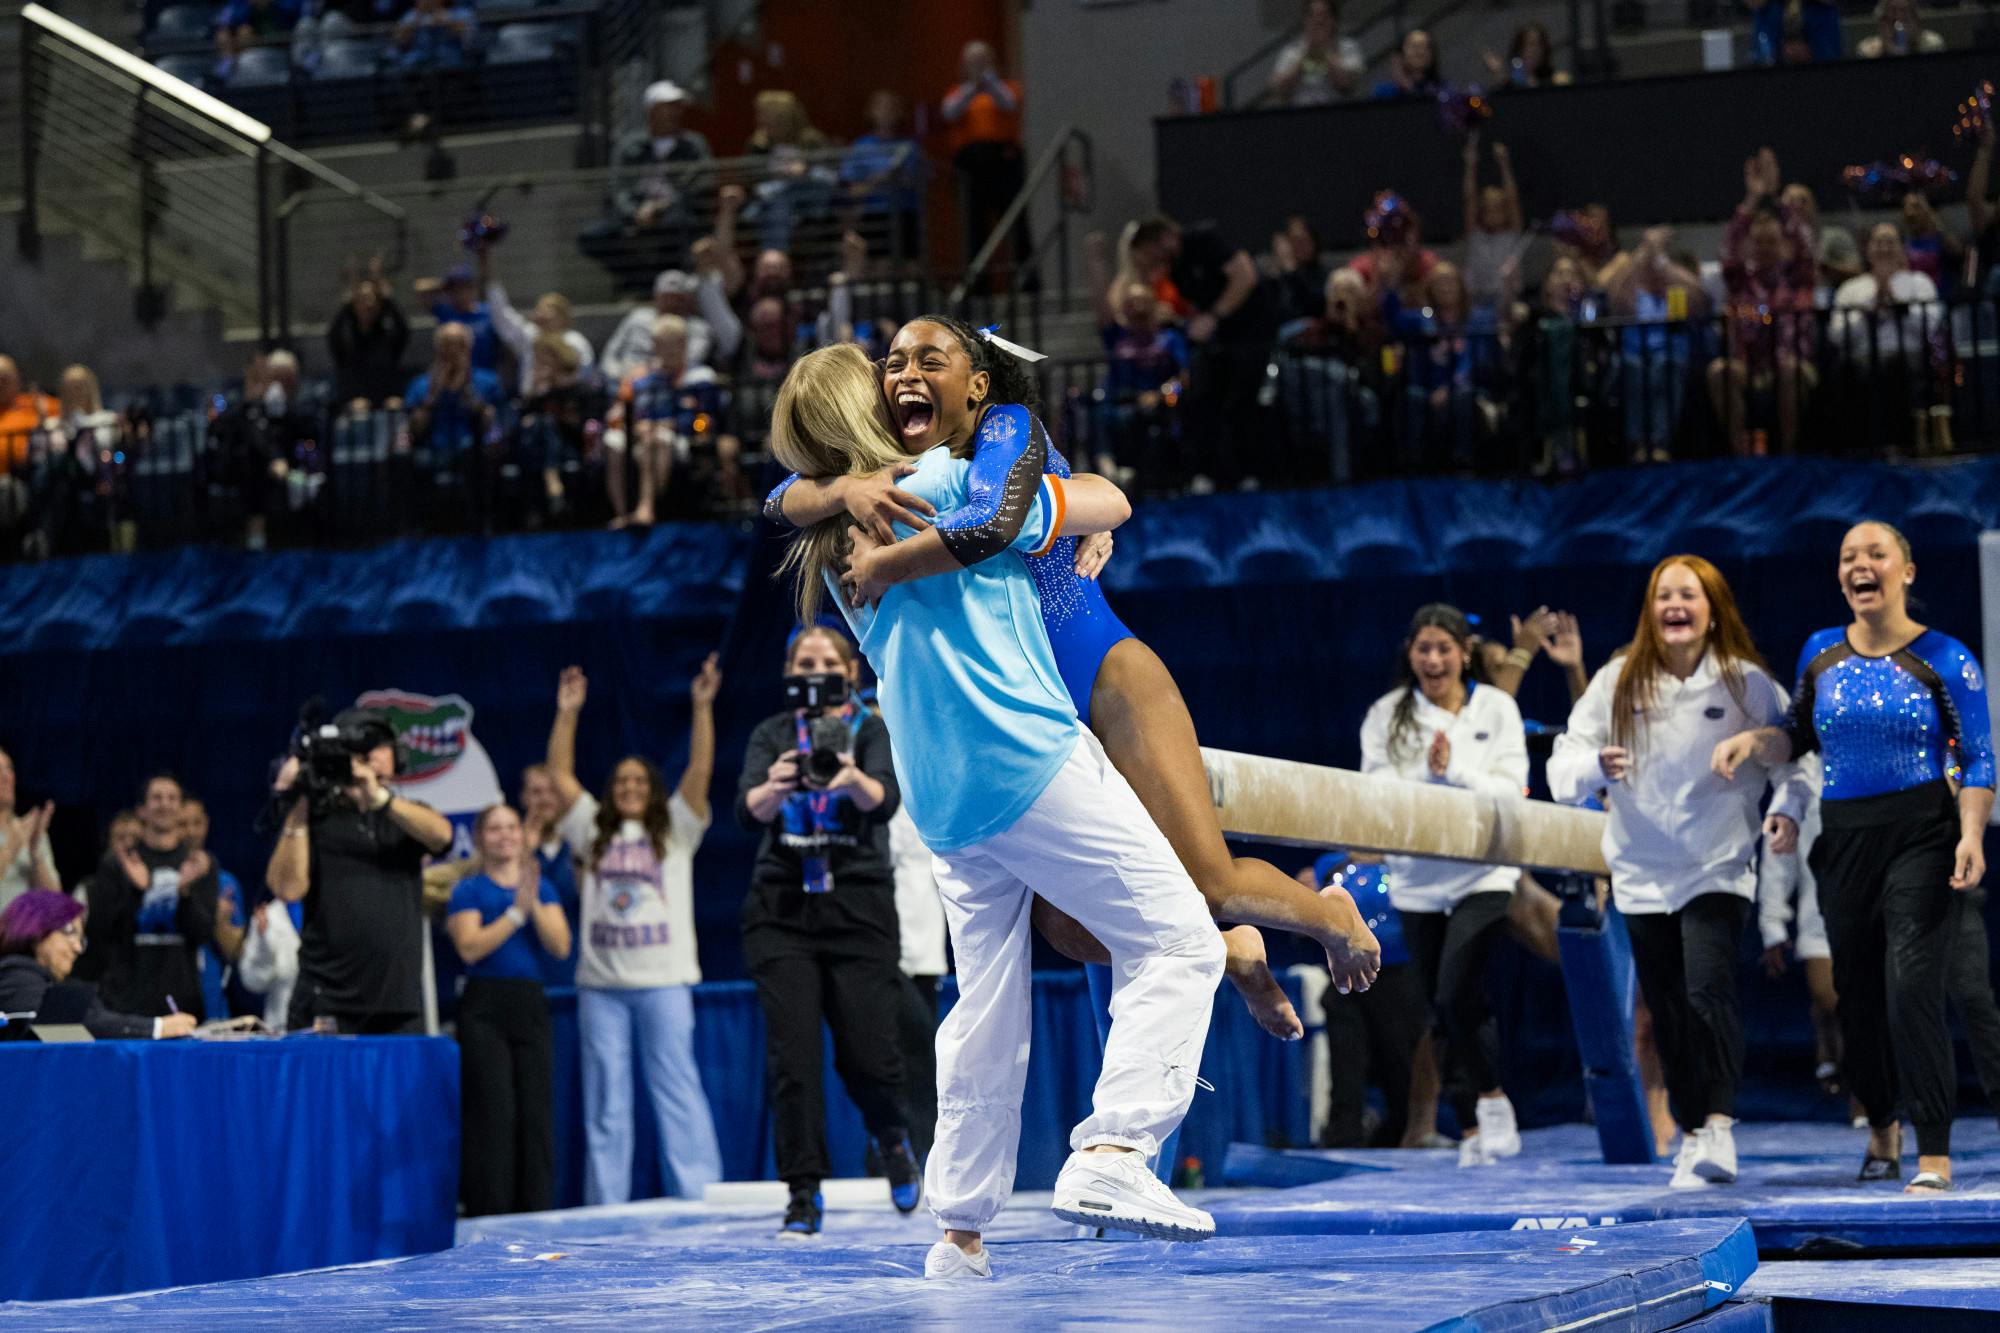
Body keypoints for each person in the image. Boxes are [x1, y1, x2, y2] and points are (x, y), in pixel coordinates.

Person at [766, 316, 1381, 1037]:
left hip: (1103, 674)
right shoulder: (889, 484)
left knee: (1206, 880)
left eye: (927, 364)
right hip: (1027, 718)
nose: (904, 378)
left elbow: (1090, 501)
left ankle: (1325, 914)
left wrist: (1078, 513)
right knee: (1069, 923)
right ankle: (1227, 953)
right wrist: (843, 490)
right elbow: (779, 494)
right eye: (892, 367)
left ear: (977, 387)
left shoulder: (1002, 439)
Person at [767, 342, 1226, 1280]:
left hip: (943, 799)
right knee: (1186, 942)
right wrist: (1069, 504)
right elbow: (1110, 500)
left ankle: (960, 1229)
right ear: (866, 404)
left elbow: (775, 497)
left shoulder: (826, 538)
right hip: (1024, 757)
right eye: (883, 369)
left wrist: (828, 489)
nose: (902, 379)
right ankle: (1115, 1152)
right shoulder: (949, 477)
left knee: (983, 1008)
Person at [1714, 521, 1995, 1193]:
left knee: (1912, 985)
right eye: (1848, 556)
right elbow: (1796, 737)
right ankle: (1881, 1125)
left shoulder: (1946, 658)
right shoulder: (1820, 653)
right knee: (1856, 996)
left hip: (1924, 828)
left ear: (1907, 572)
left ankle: (1933, 1152)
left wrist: (1971, 832)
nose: (1859, 564)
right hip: (1844, 835)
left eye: (1875, 554)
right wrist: (1756, 742)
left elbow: (1980, 756)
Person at [1549, 556, 1806, 1187]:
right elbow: (1562, 768)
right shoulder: (1617, 681)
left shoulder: (1746, 684)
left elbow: (1792, 761)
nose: (1675, 605)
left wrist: (1789, 811)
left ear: (1712, 609)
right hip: (1640, 871)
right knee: (1666, 1010)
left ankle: (1718, 1124)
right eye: (1664, 595)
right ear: (1650, 610)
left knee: (1707, 990)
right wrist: (1594, 769)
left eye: (1688, 595)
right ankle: (1693, 1131)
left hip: (1717, 865)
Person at [736, 626, 920, 1237]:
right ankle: (803, 1192)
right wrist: (776, 783)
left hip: (858, 908)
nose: (814, 670)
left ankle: (890, 1135)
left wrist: (848, 778)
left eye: (826, 661)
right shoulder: (771, 734)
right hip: (782, 909)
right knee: (794, 1058)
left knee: (869, 1056)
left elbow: (885, 800)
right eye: (803, 661)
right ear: (789, 670)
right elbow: (748, 810)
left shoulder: (868, 727)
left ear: (850, 672)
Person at [545, 660, 725, 1205]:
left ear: (651, 790)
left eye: (638, 781)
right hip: (601, 989)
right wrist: (567, 714)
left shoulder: (675, 828)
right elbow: (557, 777)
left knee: (678, 1093)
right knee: (606, 1103)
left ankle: (698, 1197)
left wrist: (701, 707)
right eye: (620, 780)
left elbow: (699, 771)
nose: (628, 787)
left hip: (664, 983)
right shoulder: (589, 829)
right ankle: (607, 1206)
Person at [1360, 604, 1529, 1166]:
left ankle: (1493, 1099)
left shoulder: (1497, 708)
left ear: (1464, 653)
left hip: (1485, 869)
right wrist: (1426, 776)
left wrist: (1452, 773)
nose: (1433, 660)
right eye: (1423, 649)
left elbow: (1512, 791)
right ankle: (1476, 1125)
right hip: (1417, 878)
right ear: (1410, 653)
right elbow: (1375, 791)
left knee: (1458, 988)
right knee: (1444, 1004)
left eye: (1444, 649)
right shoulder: (1388, 714)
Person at [266, 709, 455, 1033]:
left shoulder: (404, 816)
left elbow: (441, 835)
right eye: (359, 752)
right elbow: (287, 889)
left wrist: (377, 796)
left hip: (397, 1002)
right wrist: (299, 804)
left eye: (377, 749)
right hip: (326, 998)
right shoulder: (315, 819)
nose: (369, 759)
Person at [446, 802, 571, 1217]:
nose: (505, 835)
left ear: (522, 835)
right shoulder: (469, 890)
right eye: (495, 829)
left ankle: (537, 1210)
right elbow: (469, 947)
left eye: (511, 827)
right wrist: (515, 913)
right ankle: (491, 1211)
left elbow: (560, 946)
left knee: (535, 1112)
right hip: (484, 1004)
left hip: (529, 1003)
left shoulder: (543, 888)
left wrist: (531, 900)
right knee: (494, 1111)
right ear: (481, 839)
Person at [1303, 852, 1437, 1148]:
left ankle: (1402, 1133)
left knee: (1400, 1063)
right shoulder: (1330, 865)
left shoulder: (1404, 861)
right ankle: (1343, 1135)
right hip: (1346, 977)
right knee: (1346, 1063)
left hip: (1397, 978)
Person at [74, 774, 219, 1022]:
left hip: (182, 1001)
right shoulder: (118, 863)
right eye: (157, 798)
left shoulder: (198, 864)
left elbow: (204, 933)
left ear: (182, 809)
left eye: (172, 798)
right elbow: (101, 930)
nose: (165, 804)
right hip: (126, 1002)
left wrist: (183, 892)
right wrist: (137, 890)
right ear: (141, 810)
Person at [1709, 150, 1816, 455]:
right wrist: (1752, 200)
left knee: (1789, 369)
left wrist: (1777, 201)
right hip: (1750, 364)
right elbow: (1728, 249)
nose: (1765, 248)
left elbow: (1805, 243)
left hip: (1793, 363)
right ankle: (1741, 454)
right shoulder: (1741, 281)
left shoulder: (1798, 277)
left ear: (1784, 245)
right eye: (1759, 242)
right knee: (1720, 370)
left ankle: (1788, 453)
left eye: (1772, 242)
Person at [0, 891, 198, 1040]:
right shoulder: (15, 975)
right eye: (70, 932)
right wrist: (156, 1027)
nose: (77, 947)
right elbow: (59, 1027)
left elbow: (98, 1019)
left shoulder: (49, 983)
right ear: (36, 929)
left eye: (81, 938)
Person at [1833, 223, 1946, 453]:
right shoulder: (1851, 288)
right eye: (1878, 241)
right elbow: (1836, 336)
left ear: (1902, 249)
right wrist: (1870, 309)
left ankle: (1901, 448)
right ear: (1868, 250)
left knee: (1895, 368)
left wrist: (1897, 304)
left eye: (1890, 241)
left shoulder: (1920, 282)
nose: (1884, 247)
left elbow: (1930, 326)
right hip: (1860, 360)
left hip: (1909, 358)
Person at [1606, 227, 1708, 462]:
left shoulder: (1676, 289)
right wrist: (1644, 251)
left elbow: (1702, 298)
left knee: (1664, 364)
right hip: (1633, 353)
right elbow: (1614, 298)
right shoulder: (1633, 294)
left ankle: (1660, 443)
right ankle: (1637, 444)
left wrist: (1661, 258)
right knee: (1631, 367)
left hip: (1670, 352)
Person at [942, 41, 1029, 281]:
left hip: (1003, 161)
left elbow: (1009, 104)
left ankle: (1027, 280)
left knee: (1015, 222)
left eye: (983, 61)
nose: (978, 66)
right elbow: (949, 111)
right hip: (971, 165)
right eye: (973, 62)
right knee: (973, 228)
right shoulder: (957, 92)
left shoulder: (1008, 87)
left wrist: (989, 82)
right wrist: (973, 86)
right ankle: (977, 285)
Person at [182, 796, 246, 1021]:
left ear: (207, 824)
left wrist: (219, 922)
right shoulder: (158, 879)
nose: (190, 832)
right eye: (182, 824)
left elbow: (236, 953)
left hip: (212, 1006)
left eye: (196, 823)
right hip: (169, 1000)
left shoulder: (226, 883)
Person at [328, 272, 410, 411]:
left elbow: (403, 329)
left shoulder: (388, 339)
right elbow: (333, 334)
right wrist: (348, 302)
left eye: (373, 300)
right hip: (355, 405)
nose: (368, 305)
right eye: (362, 300)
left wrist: (387, 297)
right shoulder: (347, 341)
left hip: (387, 404)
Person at [1461, 138, 1524, 314]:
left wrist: (1504, 164)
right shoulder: (1475, 234)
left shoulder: (1512, 233)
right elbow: (1469, 199)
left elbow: (1512, 198)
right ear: (1482, 212)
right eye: (1489, 210)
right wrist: (1470, 165)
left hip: (1508, 300)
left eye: (1499, 209)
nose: (1494, 214)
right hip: (1477, 301)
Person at [1268, 0, 1364, 106]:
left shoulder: (1348, 47)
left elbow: (1347, 84)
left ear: (1333, 20)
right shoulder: (1291, 50)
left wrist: (1325, 51)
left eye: (1324, 16)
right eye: (1312, 16)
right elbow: (1279, 89)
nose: (1318, 21)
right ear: (1305, 20)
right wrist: (1304, 55)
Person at [0, 747, 58, 912]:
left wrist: (34, 854)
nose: (6, 776)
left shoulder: (32, 832)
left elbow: (55, 901)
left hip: (24, 936)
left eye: (9, 769)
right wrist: (12, 847)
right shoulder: (21, 834)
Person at [237, 889, 303, 1031]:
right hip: (282, 1026)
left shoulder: (330, 910)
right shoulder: (268, 916)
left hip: (326, 1024)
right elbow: (252, 981)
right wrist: (264, 943)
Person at [1484, 22, 1568, 88]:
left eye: (1539, 44)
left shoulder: (1555, 80)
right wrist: (1498, 73)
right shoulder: (1513, 84)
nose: (1535, 50)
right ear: (1519, 49)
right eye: (1531, 44)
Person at [1856, 0, 1944, 57]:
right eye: (1891, 19)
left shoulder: (1933, 45)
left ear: (1917, 20)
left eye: (1906, 18)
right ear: (1882, 22)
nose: (1899, 20)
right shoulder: (1867, 51)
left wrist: (1914, 44)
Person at [1373, 29, 1443, 99]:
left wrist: (1409, 87)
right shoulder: (1384, 93)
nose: (1420, 52)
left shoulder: (1441, 90)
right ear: (1401, 54)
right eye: (1415, 47)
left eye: (1426, 47)